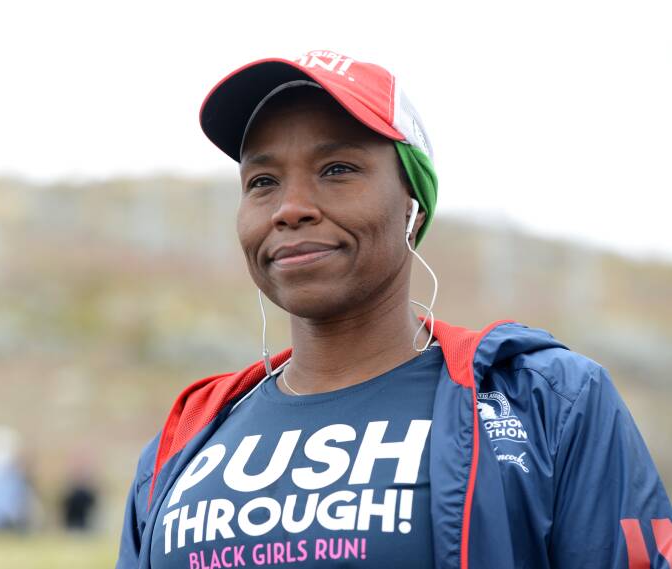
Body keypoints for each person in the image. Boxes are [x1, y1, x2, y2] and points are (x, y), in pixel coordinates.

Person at [117, 50, 671, 568]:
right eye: (262, 182)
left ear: (414, 204)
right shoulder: (187, 436)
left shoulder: (546, 400)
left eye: (337, 169)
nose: (290, 208)